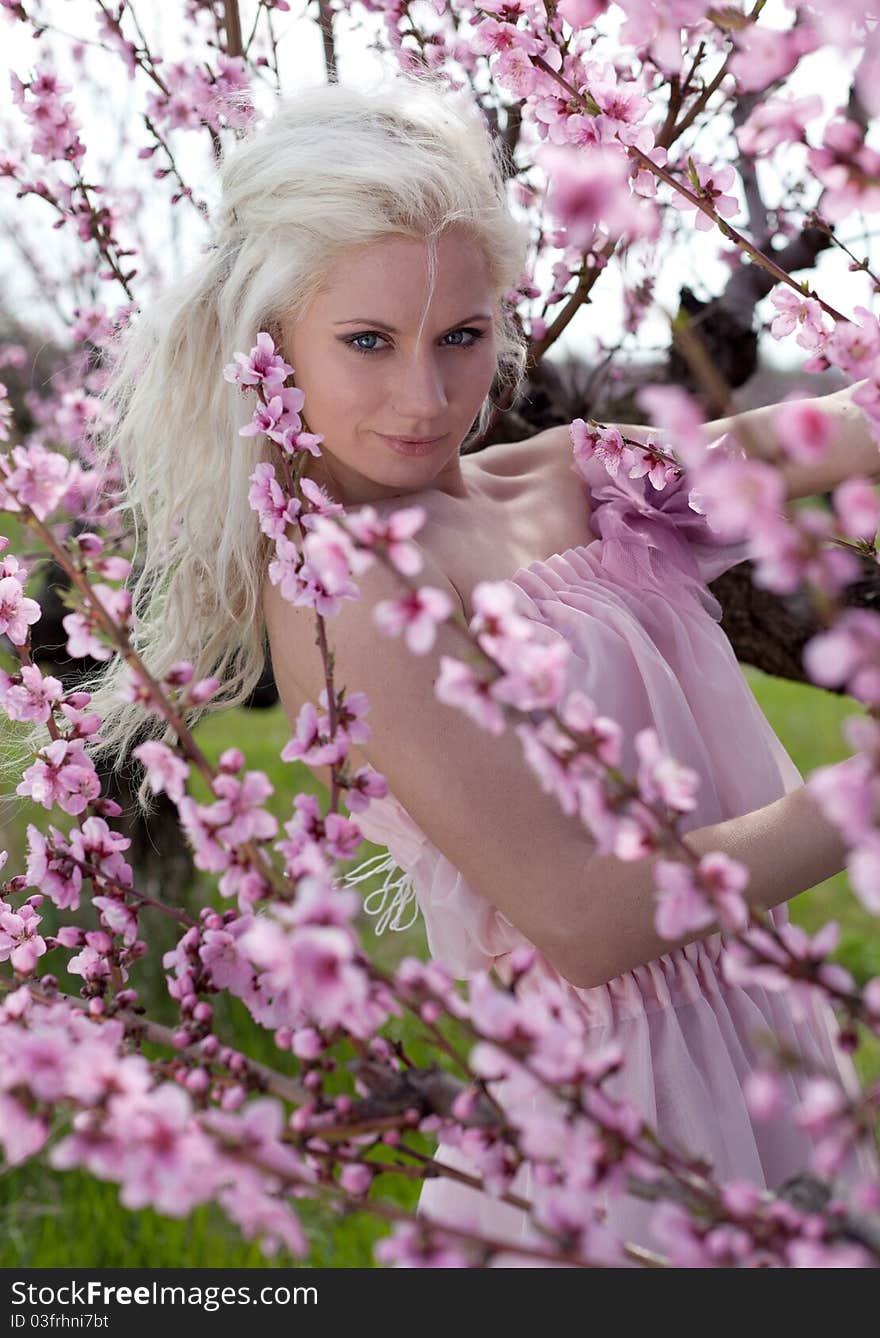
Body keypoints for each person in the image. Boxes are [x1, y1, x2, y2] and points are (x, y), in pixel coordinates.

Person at [75, 72, 877, 1265]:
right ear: (267, 344)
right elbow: (589, 920)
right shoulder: (344, 589)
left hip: (759, 1027)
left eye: (460, 336)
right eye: (366, 342)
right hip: (617, 1109)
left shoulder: (567, 476)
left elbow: (830, 429)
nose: (425, 396)